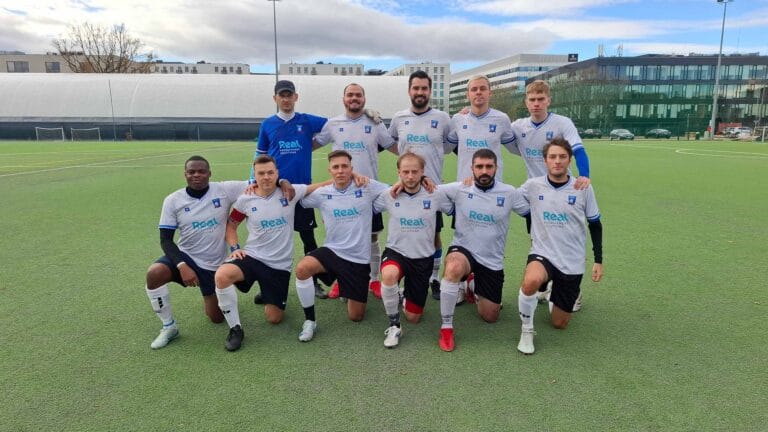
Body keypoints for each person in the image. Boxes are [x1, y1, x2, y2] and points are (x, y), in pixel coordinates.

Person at [213, 156, 332, 351]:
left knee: (275, 318)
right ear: (255, 176)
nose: (266, 177)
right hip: (252, 256)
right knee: (222, 275)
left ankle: (266, 292)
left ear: (277, 174)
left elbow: (319, 186)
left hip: (279, 266)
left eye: (270, 172)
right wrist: (235, 249)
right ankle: (235, 328)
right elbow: (231, 225)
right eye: (261, 173)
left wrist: (350, 175)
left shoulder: (289, 193)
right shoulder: (245, 199)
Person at [144, 156, 247, 349]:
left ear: (210, 173)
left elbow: (259, 182)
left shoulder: (224, 190)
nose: (196, 175)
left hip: (214, 265)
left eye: (201, 171)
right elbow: (166, 240)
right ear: (185, 174)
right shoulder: (173, 200)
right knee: (154, 273)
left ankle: (219, 293)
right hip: (187, 257)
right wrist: (182, 266)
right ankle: (169, 326)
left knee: (215, 318)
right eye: (191, 172)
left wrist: (282, 182)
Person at [515, 138, 603, 355]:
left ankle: (557, 289)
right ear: (545, 161)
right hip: (542, 252)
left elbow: (595, 224)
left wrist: (598, 260)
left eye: (562, 157)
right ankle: (526, 330)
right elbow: (505, 196)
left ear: (569, 160)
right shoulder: (533, 185)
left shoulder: (582, 187)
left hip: (571, 260)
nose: (557, 161)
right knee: (531, 281)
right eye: (552, 157)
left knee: (559, 323)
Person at [509, 79, 592, 308]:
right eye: (532, 100)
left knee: (567, 238)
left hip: (563, 190)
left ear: (548, 100)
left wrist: (584, 175)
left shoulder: (562, 123)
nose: (536, 104)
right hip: (534, 193)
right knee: (537, 239)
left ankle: (572, 290)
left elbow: (578, 149)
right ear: (526, 102)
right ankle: (545, 285)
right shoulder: (518, 127)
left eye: (540, 99)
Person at [436, 149, 529, 352]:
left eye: (489, 166)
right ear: (472, 169)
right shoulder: (460, 188)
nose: (484, 171)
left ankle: (472, 285)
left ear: (496, 168)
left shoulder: (509, 193)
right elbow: (431, 189)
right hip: (464, 250)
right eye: (479, 167)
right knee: (453, 267)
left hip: (491, 260)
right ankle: (446, 327)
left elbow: (532, 212)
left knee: (490, 317)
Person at [292, 150, 388, 342]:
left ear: (352, 169)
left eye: (345, 166)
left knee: (356, 316)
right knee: (302, 269)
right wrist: (319, 184)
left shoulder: (367, 186)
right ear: (330, 170)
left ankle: (346, 284)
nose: (340, 170)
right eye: (336, 167)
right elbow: (295, 195)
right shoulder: (322, 194)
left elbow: (393, 189)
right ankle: (310, 321)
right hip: (333, 252)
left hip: (359, 259)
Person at [313, 83, 395, 299]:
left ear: (364, 99)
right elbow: (313, 144)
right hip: (340, 192)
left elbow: (391, 145)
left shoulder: (374, 123)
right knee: (341, 237)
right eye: (350, 95)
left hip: (368, 190)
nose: (354, 98)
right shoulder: (333, 124)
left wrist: (417, 156)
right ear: (343, 99)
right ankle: (341, 279)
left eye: (358, 95)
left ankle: (374, 280)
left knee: (372, 238)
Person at [254, 79, 329, 300]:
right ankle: (267, 285)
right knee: (271, 240)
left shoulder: (306, 121)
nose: (286, 99)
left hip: (302, 191)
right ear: (275, 98)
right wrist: (253, 181)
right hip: (276, 191)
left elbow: (335, 125)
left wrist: (364, 117)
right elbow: (260, 156)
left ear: (296, 97)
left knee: (308, 238)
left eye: (289, 95)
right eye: (281, 95)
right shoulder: (267, 124)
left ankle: (313, 282)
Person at [372, 152, 453, 348]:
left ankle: (403, 295)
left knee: (414, 317)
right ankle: (394, 325)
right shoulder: (389, 194)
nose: (410, 176)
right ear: (398, 172)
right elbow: (369, 206)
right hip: (396, 253)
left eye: (415, 172)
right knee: (389, 275)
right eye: (405, 172)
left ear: (422, 172)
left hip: (422, 259)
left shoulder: (436, 194)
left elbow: (454, 207)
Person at [388, 70, 454, 301]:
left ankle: (434, 278)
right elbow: (391, 144)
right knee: (407, 232)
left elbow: (451, 144)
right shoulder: (398, 119)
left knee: (433, 235)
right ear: (409, 91)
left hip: (431, 190)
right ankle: (403, 277)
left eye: (424, 88)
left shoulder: (443, 118)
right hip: (405, 188)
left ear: (430, 91)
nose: (420, 92)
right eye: (416, 88)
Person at [446, 75, 517, 183]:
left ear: (490, 93)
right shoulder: (457, 119)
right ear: (468, 95)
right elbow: (445, 148)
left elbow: (515, 148)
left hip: (493, 187)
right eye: (474, 89)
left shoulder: (502, 119)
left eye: (482, 89)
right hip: (464, 186)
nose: (478, 92)